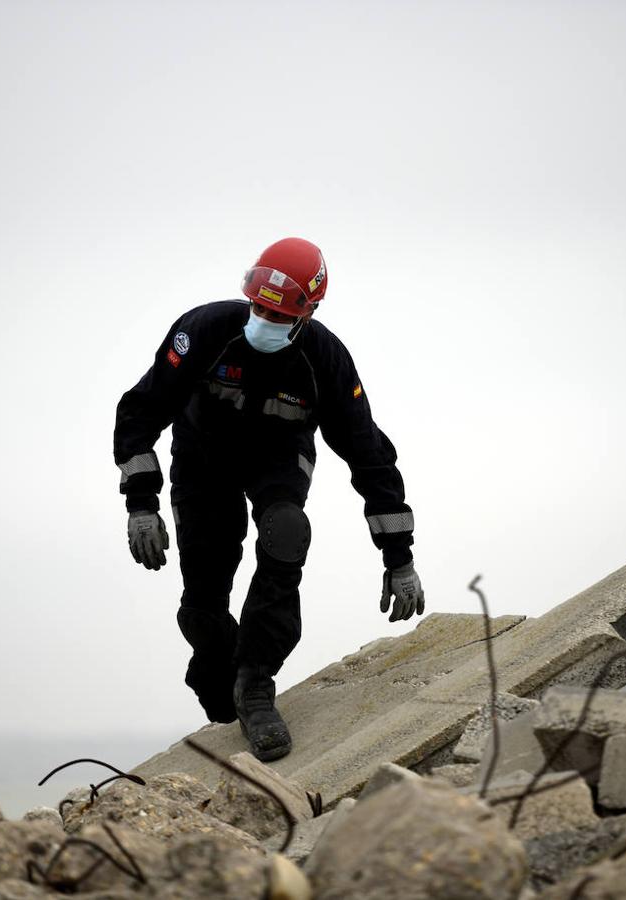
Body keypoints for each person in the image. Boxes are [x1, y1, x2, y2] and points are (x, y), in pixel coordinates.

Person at [113, 237, 424, 762]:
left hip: (279, 462)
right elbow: (140, 411)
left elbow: (370, 455)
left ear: (308, 312)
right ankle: (220, 670)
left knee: (286, 533)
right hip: (202, 463)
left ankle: (256, 686)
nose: (263, 318)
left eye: (277, 313)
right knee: (204, 597)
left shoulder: (325, 360)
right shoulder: (203, 331)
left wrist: (400, 559)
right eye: (258, 306)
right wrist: (142, 502)